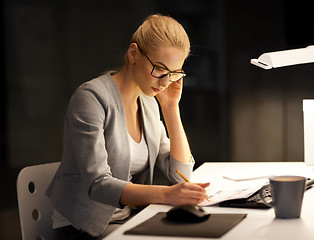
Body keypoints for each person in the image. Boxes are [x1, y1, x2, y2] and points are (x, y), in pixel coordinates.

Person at [46, 14, 210, 239]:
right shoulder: (91, 98)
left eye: (174, 74)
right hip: (84, 227)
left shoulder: (149, 102)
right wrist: (168, 195)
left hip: (130, 219)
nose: (165, 82)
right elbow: (98, 185)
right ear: (134, 54)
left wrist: (172, 110)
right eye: (160, 70)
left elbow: (180, 177)